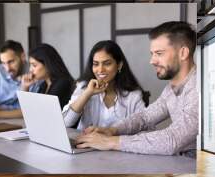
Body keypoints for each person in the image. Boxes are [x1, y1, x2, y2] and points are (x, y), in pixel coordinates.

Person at [76, 21, 198, 156]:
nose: (152, 60)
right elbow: (145, 117)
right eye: (152, 54)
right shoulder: (171, 89)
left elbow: (172, 140)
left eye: (159, 53)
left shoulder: (198, 86)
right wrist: (112, 130)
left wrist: (110, 142)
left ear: (183, 53)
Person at [62, 40, 150, 130]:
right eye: (96, 64)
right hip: (85, 143)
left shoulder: (133, 95)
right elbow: (65, 122)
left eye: (107, 64)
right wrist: (87, 93)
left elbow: (146, 128)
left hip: (117, 143)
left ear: (119, 65)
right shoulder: (84, 87)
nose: (100, 70)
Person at [0, 40, 42, 120]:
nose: (7, 68)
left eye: (11, 62)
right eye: (3, 63)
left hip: (24, 122)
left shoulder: (36, 73)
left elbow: (31, 111)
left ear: (22, 56)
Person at [21, 43, 74, 108]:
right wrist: (25, 87)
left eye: (34, 65)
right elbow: (30, 110)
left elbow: (39, 109)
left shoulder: (62, 83)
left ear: (48, 64)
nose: (30, 70)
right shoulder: (44, 84)